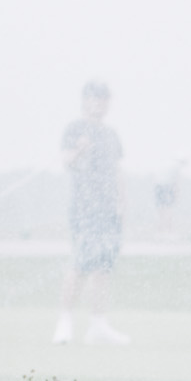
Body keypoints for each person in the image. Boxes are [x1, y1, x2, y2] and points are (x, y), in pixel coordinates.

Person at [55, 79, 125, 344]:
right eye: (95, 98)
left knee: (103, 267)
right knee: (80, 264)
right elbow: (66, 161)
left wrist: (122, 205)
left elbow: (117, 172)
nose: (100, 104)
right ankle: (65, 322)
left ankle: (98, 324)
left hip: (109, 211)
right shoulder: (75, 129)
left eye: (104, 99)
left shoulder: (111, 134)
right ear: (85, 101)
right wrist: (79, 149)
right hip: (84, 209)